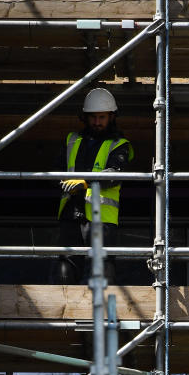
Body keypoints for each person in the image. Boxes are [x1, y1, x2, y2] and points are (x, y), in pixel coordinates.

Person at [55, 86, 133, 283]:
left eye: (102, 117)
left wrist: (85, 182)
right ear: (85, 117)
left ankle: (105, 314)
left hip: (101, 219)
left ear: (112, 117)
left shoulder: (120, 145)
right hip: (71, 213)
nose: (97, 122)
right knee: (66, 271)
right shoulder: (72, 140)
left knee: (104, 272)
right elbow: (57, 171)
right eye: (93, 117)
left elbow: (114, 175)